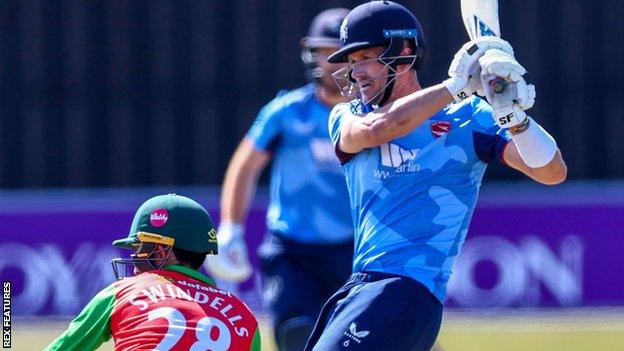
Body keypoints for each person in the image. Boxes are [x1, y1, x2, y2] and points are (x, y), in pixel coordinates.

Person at [304, 1, 567, 350]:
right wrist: (455, 85)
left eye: (365, 57)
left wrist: (514, 116)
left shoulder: (469, 116)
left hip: (405, 289)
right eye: (351, 63)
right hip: (367, 288)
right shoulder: (347, 115)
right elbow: (381, 127)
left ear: (404, 51)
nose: (357, 73)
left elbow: (552, 172)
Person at [203, 8, 355, 351]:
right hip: (293, 246)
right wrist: (231, 227)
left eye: (338, 53)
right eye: (321, 53)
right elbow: (244, 165)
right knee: (295, 334)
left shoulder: (374, 116)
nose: (329, 62)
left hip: (356, 247)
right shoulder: (286, 112)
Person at [45, 194, 261, 351]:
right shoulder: (244, 316)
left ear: (160, 250)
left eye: (139, 248)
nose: (134, 260)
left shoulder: (123, 293)